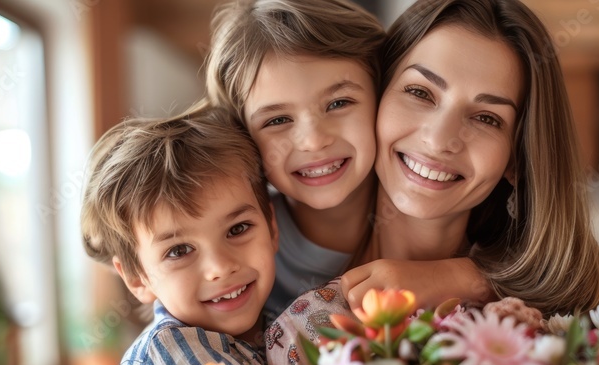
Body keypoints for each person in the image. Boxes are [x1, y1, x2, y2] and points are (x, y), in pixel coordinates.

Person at [267, 0, 599, 365]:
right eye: (420, 92)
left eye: (487, 118)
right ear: (375, 98)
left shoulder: (539, 330)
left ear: (516, 159)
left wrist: (450, 279)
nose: (439, 140)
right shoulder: (257, 248)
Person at [204, 0, 493, 323]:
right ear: (244, 136)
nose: (314, 140)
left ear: (383, 95)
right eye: (277, 120)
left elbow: (538, 272)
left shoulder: (431, 206)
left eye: (339, 103)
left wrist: (462, 276)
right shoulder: (237, 245)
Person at [81, 104, 295, 365]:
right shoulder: (165, 354)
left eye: (238, 228)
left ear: (272, 228)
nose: (219, 267)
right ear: (136, 278)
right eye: (179, 251)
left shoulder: (276, 323)